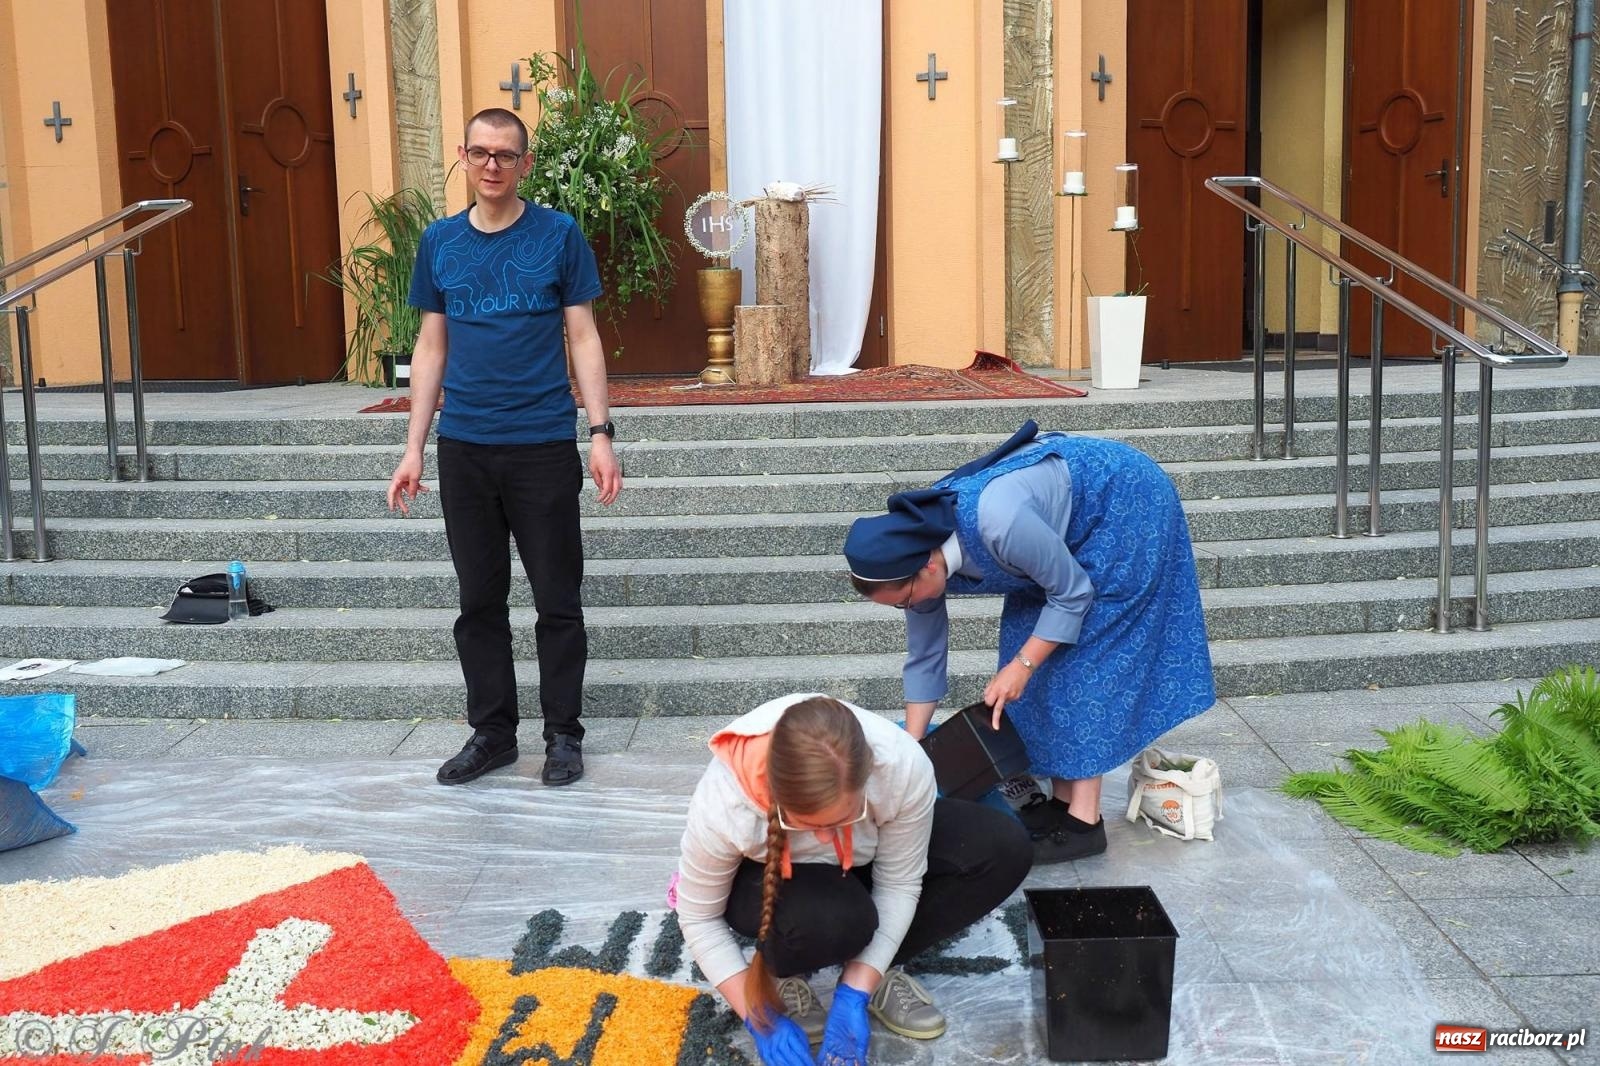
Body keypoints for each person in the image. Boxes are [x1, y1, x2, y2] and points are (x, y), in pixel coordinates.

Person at [843, 420, 1215, 864]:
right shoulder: (912, 562)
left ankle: (1083, 821)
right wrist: (913, 749)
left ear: (927, 567)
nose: (907, 609)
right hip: (1052, 538)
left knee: (1080, 660)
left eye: (904, 600)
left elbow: (1074, 592)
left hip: (1123, 507)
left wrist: (1022, 665)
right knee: (1028, 643)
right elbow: (925, 656)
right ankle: (1059, 803)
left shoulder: (999, 523)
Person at [386, 107, 622, 788]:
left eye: (506, 155)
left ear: (525, 163)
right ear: (463, 155)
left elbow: (583, 337)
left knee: (557, 599)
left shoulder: (558, 235)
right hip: (466, 449)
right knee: (478, 602)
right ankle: (492, 735)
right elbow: (431, 346)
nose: (493, 165)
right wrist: (413, 448)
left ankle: (563, 737)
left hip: (542, 443)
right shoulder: (440, 243)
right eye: (482, 152)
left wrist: (600, 434)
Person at [676, 693, 1031, 1066]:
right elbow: (699, 918)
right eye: (811, 827)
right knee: (833, 921)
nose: (827, 840)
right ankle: (789, 967)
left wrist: (854, 992)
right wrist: (758, 1016)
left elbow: (899, 883)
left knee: (1001, 848)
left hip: (864, 857)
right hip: (774, 879)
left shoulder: (900, 764)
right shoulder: (723, 803)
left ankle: (873, 969)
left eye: (843, 820)